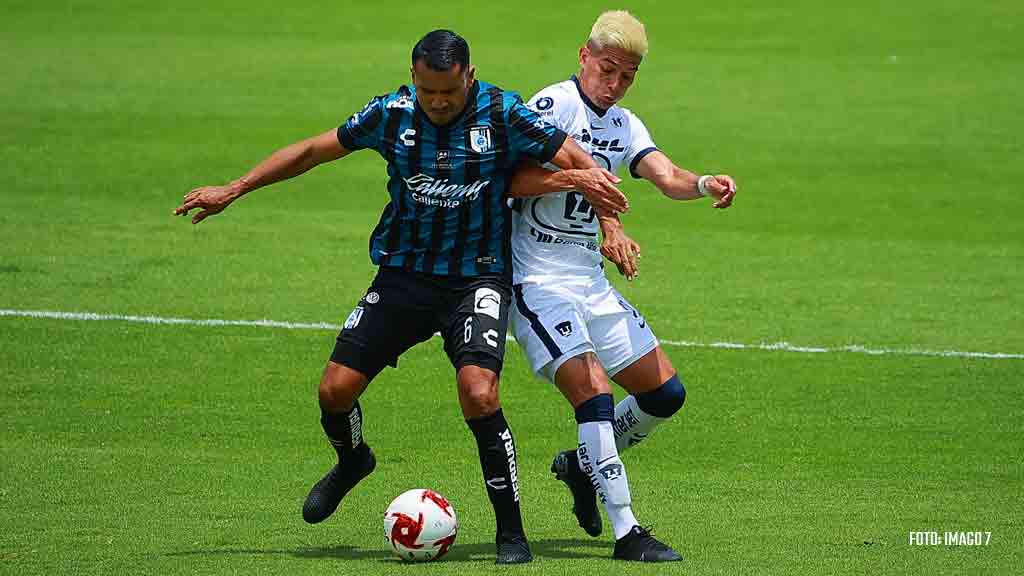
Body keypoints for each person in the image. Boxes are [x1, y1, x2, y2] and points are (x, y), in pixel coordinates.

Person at [173, 29, 627, 565]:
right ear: (414, 79)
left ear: (469, 79)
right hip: (403, 277)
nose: (438, 103)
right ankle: (352, 460)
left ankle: (512, 532)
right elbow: (313, 150)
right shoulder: (391, 112)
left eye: (449, 93)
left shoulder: (502, 111)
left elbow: (576, 158)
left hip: (475, 278)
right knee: (334, 391)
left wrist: (608, 222)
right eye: (428, 91)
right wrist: (235, 188)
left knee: (479, 393)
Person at [506, 10, 738, 562]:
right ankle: (627, 532)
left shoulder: (625, 125)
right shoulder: (553, 105)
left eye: (626, 77)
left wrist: (705, 184)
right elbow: (508, 179)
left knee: (664, 394)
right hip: (537, 280)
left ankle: (581, 467)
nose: (613, 85)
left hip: (589, 280)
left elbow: (668, 176)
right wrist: (576, 177)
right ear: (584, 55)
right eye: (606, 70)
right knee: (595, 394)